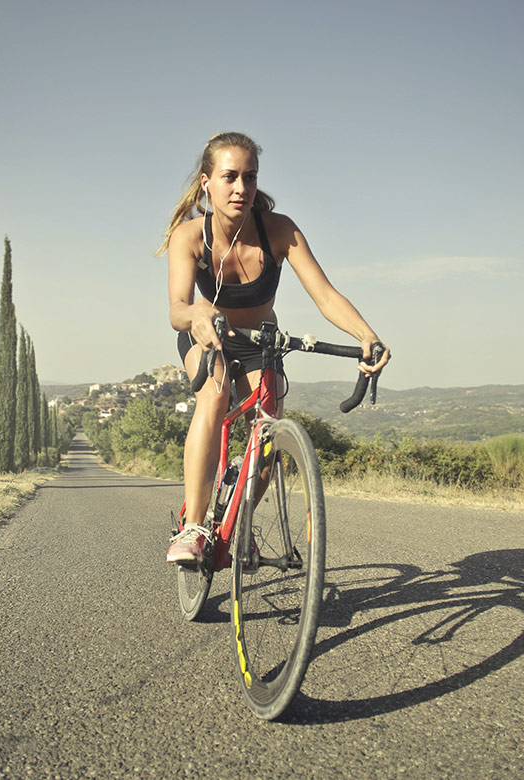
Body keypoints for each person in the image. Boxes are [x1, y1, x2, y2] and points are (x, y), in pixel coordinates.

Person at [160, 131, 390, 565]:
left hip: (259, 345)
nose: (241, 188)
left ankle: (242, 524)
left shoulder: (280, 231)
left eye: (250, 177)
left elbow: (325, 296)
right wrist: (196, 315)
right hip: (206, 337)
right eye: (229, 177)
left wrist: (367, 335)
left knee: (267, 434)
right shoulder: (190, 237)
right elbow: (176, 308)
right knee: (214, 396)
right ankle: (193, 524)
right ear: (207, 182)